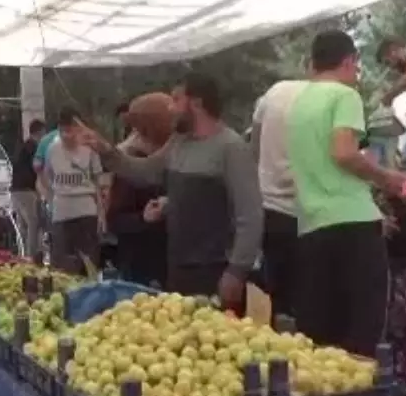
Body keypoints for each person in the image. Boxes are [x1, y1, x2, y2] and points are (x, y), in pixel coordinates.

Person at [80, 73, 262, 305]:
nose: (170, 107)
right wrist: (106, 150)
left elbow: (251, 215)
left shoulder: (231, 148)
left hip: (214, 269)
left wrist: (236, 271)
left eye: (176, 99)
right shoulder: (179, 142)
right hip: (177, 266)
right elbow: (145, 172)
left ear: (196, 103)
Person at [288, 30, 406, 356]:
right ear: (349, 60)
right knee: (362, 332)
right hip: (353, 227)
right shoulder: (344, 96)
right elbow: (343, 153)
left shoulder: (298, 105)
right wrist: (386, 178)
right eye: (356, 66)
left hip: (311, 226)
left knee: (320, 334)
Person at [251, 80, 308, 315]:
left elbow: (254, 146)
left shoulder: (275, 91)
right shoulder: (334, 100)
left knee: (276, 296)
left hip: (271, 209)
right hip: (311, 215)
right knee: (309, 299)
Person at [106, 93, 172, 287]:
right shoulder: (130, 160)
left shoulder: (174, 154)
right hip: (140, 264)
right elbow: (115, 221)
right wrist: (144, 218)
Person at [43, 107, 104, 275]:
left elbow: (98, 181)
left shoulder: (89, 149)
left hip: (86, 209)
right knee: (61, 263)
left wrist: (101, 213)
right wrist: (50, 201)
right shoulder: (52, 149)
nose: (66, 135)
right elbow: (47, 176)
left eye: (70, 130)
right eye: (62, 130)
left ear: (78, 129)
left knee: (89, 261)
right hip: (62, 210)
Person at [11, 119, 47, 257]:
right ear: (39, 133)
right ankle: (31, 255)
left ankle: (23, 254)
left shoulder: (24, 147)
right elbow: (37, 168)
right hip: (26, 190)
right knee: (33, 223)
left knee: (23, 225)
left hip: (16, 190)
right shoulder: (33, 147)